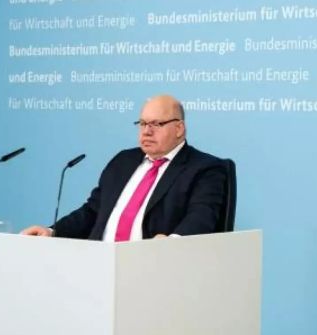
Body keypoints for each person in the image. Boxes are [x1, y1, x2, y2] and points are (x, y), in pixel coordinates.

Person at [21, 94, 227, 240]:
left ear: (179, 128)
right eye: (143, 123)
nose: (146, 131)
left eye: (156, 124)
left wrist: (171, 244)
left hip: (154, 269)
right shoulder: (123, 161)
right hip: (99, 264)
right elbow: (92, 212)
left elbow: (201, 217)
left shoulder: (204, 169)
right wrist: (52, 231)